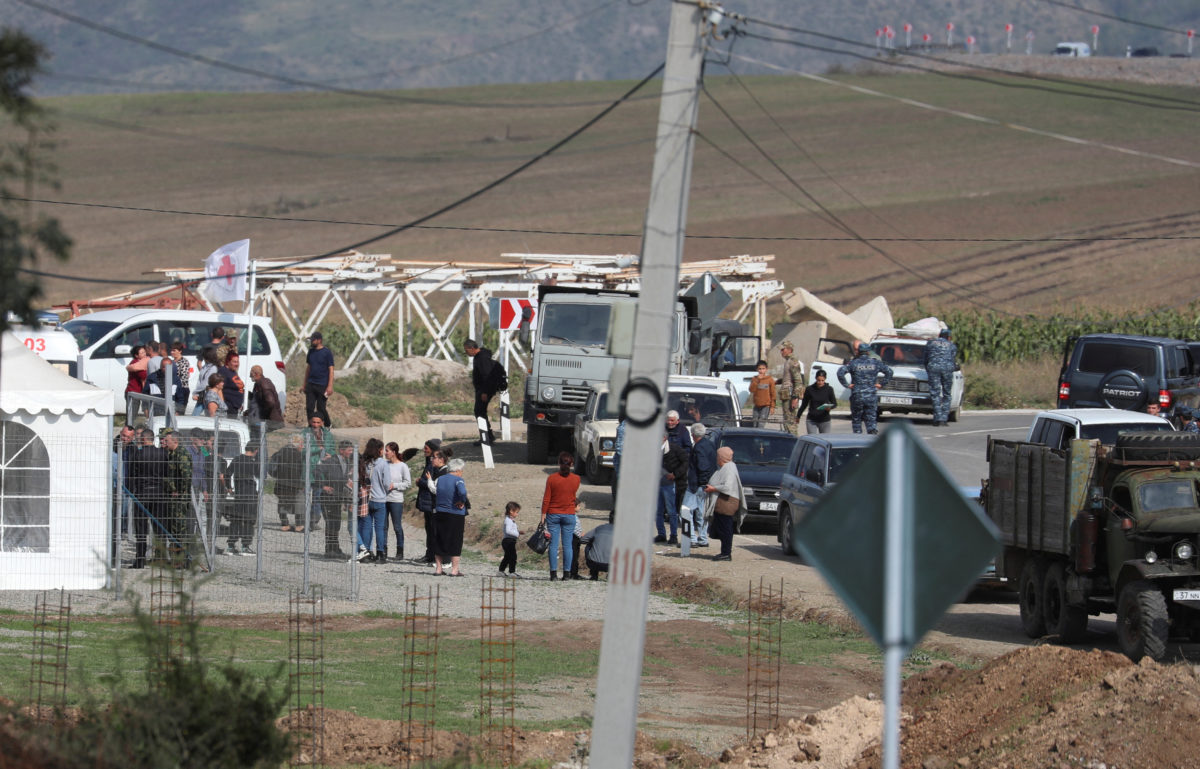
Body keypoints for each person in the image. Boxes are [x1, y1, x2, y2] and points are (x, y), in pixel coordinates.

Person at [540, 451, 580, 581]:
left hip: (553, 514)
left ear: (558, 463)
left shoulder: (552, 478)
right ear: (572, 464)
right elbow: (573, 495)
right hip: (569, 514)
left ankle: (553, 574)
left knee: (553, 545)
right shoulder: (576, 479)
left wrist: (543, 514)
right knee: (568, 545)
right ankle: (567, 574)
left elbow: (547, 499)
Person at [837, 342, 893, 435]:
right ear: (868, 352)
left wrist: (847, 385)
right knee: (871, 419)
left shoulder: (853, 363)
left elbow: (840, 373)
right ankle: (871, 434)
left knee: (857, 419)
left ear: (858, 352)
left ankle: (858, 436)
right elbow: (889, 372)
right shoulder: (875, 363)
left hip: (857, 395)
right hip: (871, 395)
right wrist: (881, 384)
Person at [704, 446, 746, 562]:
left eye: (718, 456)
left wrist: (713, 488)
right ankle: (724, 552)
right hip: (723, 501)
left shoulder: (729, 469)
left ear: (721, 457)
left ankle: (726, 554)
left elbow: (727, 487)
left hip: (727, 502)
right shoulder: (726, 467)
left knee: (725, 529)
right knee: (722, 527)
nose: (716, 458)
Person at [317, 440, 356, 558]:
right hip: (328, 498)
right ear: (341, 451)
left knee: (336, 524)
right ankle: (329, 550)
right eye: (349, 450)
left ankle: (335, 548)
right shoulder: (330, 462)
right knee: (330, 523)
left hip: (338, 498)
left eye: (352, 450)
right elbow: (316, 472)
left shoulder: (348, 463)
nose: (351, 453)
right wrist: (323, 486)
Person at [160, 428, 193, 563]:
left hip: (179, 499)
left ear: (175, 441)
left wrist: (180, 491)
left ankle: (182, 560)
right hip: (173, 499)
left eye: (167, 440)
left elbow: (186, 476)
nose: (165, 443)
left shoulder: (182, 454)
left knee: (179, 529)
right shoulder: (173, 454)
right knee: (173, 529)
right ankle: (176, 559)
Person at [433, 458, 470, 576]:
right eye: (462, 470)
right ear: (458, 470)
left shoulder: (440, 479)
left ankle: (438, 569)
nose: (462, 472)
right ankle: (454, 570)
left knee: (439, 539)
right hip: (455, 513)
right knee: (456, 540)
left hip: (440, 512)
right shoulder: (458, 480)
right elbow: (463, 493)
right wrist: (462, 501)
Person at [225, 440, 261, 557]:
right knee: (249, 521)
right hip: (250, 494)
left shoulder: (237, 459)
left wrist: (229, 488)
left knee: (236, 520)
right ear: (256, 451)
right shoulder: (254, 462)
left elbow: (227, 474)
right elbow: (260, 475)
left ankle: (230, 546)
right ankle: (245, 546)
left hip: (239, 494)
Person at [464, 339, 501, 445]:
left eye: (466, 351)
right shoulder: (479, 356)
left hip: (485, 389)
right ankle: (488, 436)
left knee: (479, 412)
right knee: (480, 412)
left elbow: (487, 376)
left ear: (472, 348)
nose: (466, 353)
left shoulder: (482, 358)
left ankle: (486, 437)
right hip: (482, 389)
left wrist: (485, 392)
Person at [686, 422, 717, 547]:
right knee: (701, 513)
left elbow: (702, 466)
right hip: (705, 484)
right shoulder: (709, 444)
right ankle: (703, 538)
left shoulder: (698, 448)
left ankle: (691, 538)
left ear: (692, 434)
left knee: (686, 511)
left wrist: (702, 482)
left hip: (697, 485)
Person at [358, 438, 387, 563]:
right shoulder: (383, 463)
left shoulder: (364, 462)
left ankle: (366, 552)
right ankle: (380, 553)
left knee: (366, 527)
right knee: (379, 528)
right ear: (379, 450)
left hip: (367, 499)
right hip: (380, 499)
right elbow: (386, 483)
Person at [657, 432, 689, 546]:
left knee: (671, 511)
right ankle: (661, 534)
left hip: (670, 484)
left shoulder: (674, 448)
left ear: (664, 437)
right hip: (657, 484)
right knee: (658, 511)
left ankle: (673, 535)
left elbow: (686, 461)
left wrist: (675, 474)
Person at [414, 438, 443, 564]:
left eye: (426, 448)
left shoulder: (434, 464)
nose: (424, 450)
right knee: (429, 529)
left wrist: (421, 482)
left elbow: (434, 483)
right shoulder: (429, 461)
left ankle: (434, 556)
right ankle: (430, 554)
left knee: (432, 530)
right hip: (427, 501)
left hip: (431, 502)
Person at [269, 435, 305, 531]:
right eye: (302, 443)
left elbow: (272, 468)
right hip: (295, 484)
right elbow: (303, 471)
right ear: (298, 444)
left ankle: (284, 524)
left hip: (281, 483)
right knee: (299, 502)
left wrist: (277, 476)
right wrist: (303, 483)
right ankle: (299, 524)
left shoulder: (280, 452)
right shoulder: (299, 455)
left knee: (282, 502)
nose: (303, 446)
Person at [924, 328, 958, 426]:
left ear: (939, 335)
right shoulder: (951, 345)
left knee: (935, 394)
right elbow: (952, 359)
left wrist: (928, 369)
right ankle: (944, 418)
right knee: (947, 394)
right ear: (949, 337)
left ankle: (937, 418)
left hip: (933, 368)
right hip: (947, 369)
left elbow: (925, 359)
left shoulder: (930, 343)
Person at [384, 441, 412, 561]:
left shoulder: (402, 466)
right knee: (383, 527)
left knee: (397, 526)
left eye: (387, 451)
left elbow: (407, 483)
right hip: (383, 500)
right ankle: (382, 550)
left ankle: (400, 551)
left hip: (396, 500)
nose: (385, 453)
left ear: (394, 452)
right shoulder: (384, 464)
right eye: (385, 450)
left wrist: (394, 485)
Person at [305, 331, 335, 427]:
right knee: (309, 407)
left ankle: (327, 425)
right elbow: (308, 368)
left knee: (321, 407)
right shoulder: (311, 352)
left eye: (313, 340)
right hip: (311, 383)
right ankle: (311, 426)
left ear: (319, 340)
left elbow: (331, 369)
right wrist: (304, 383)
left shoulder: (326, 352)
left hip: (322, 384)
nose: (311, 342)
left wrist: (330, 386)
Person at [796, 369, 838, 434]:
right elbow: (804, 404)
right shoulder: (810, 389)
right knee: (813, 440)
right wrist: (798, 416)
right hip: (812, 419)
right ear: (816, 378)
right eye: (818, 380)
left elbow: (834, 403)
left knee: (824, 440)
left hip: (824, 420)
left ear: (825, 379)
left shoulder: (829, 389)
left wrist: (829, 407)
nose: (820, 382)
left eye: (822, 380)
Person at [778, 340, 805, 436]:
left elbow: (798, 381)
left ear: (789, 350)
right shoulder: (788, 361)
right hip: (786, 396)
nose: (781, 352)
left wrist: (795, 398)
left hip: (790, 396)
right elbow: (788, 378)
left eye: (783, 349)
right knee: (787, 422)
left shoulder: (793, 361)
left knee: (790, 423)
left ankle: (794, 442)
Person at [581, 511, 615, 580]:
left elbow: (583, 540)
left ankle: (594, 574)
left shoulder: (599, 528)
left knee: (590, 543)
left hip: (594, 563)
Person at [192, 347, 219, 415]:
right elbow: (200, 380)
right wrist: (197, 393)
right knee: (195, 415)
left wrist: (195, 391)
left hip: (209, 396)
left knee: (205, 416)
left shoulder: (213, 368)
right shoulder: (205, 366)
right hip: (202, 396)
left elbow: (206, 383)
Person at [749, 359, 776, 427]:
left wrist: (772, 407)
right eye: (760, 369)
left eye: (763, 369)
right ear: (757, 369)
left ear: (766, 369)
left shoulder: (769, 379)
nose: (761, 371)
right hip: (757, 405)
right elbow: (751, 390)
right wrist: (757, 380)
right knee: (755, 423)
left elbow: (773, 393)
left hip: (765, 406)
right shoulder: (754, 379)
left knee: (761, 423)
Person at [498, 501, 522, 577]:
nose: (517, 514)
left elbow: (511, 530)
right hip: (508, 541)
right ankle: (512, 572)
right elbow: (508, 531)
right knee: (513, 556)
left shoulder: (511, 520)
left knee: (507, 556)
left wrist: (519, 532)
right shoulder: (508, 520)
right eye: (517, 512)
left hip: (510, 541)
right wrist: (517, 534)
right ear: (511, 511)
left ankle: (501, 571)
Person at [218, 352, 246, 418]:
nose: (237, 364)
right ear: (228, 362)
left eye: (238, 362)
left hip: (235, 407)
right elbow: (219, 388)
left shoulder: (233, 371)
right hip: (229, 407)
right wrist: (223, 405)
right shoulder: (223, 371)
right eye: (234, 362)